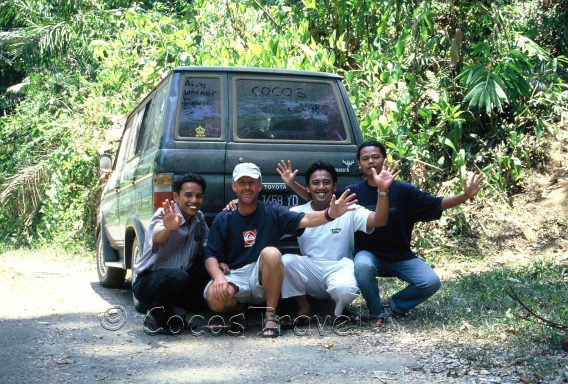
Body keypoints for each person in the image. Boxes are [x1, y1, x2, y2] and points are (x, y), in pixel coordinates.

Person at [279, 140, 484, 326]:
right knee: (362, 265)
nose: (371, 162)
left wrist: (465, 195)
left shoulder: (404, 190)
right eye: (365, 159)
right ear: (359, 164)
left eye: (375, 157)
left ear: (384, 160)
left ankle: (394, 305)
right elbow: (320, 198)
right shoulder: (352, 193)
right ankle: (376, 312)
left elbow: (435, 203)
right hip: (367, 254)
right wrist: (291, 185)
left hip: (400, 255)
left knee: (430, 281)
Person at [204, 162, 356, 338]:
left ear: (260, 185)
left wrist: (330, 214)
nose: (247, 187)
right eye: (242, 183)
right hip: (236, 275)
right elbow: (210, 256)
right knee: (215, 300)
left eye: (252, 182)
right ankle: (238, 310)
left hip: (262, 275)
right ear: (234, 186)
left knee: (272, 253)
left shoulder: (272, 211)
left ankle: (270, 316)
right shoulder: (225, 217)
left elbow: (306, 219)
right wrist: (219, 277)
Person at [278, 160, 396, 319]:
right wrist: (237, 204)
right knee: (286, 261)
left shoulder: (348, 210)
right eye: (315, 183)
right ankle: (304, 309)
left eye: (326, 182)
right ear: (308, 188)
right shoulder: (298, 212)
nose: (321, 187)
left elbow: (379, 220)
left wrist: (382, 190)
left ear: (334, 186)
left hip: (340, 267)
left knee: (345, 289)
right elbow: (268, 219)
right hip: (310, 268)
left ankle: (335, 311)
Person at [133, 173, 210, 331]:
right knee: (178, 277)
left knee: (209, 264)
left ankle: (174, 314)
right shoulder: (165, 215)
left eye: (198, 196)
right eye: (188, 195)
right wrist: (168, 229)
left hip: (181, 281)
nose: (194, 201)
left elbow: (208, 245)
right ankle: (155, 315)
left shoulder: (199, 219)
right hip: (149, 282)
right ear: (176, 196)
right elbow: (157, 239)